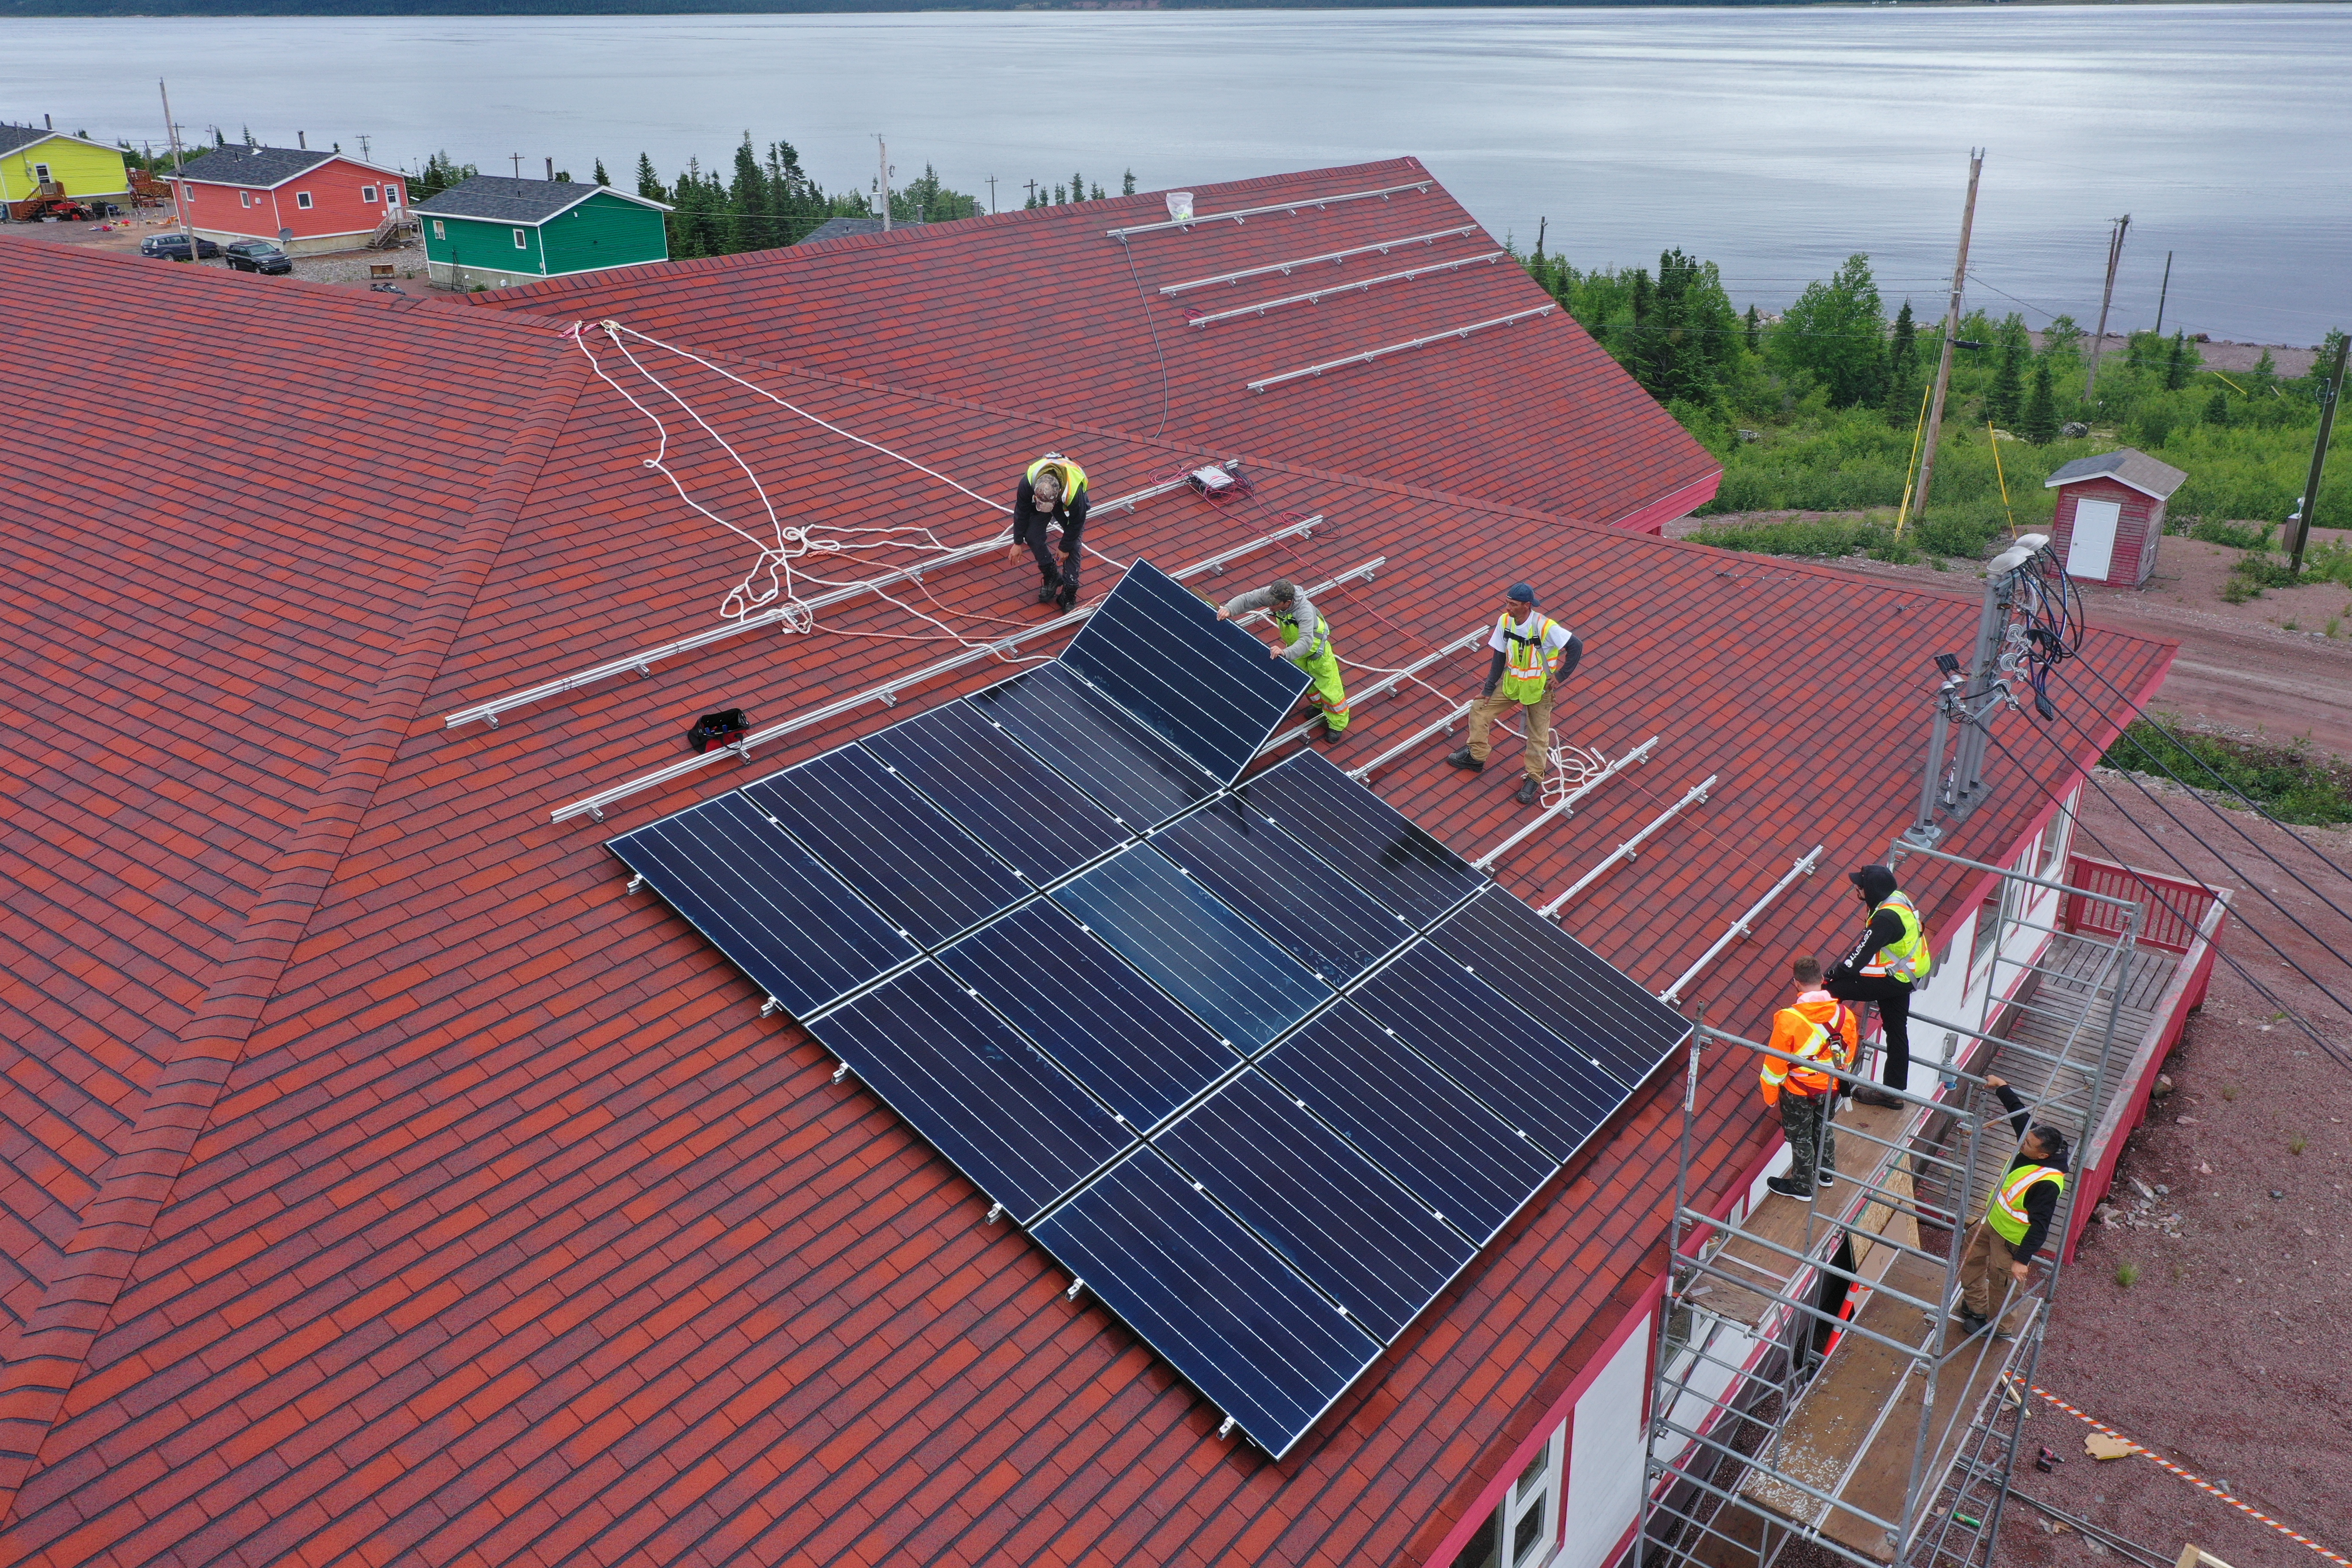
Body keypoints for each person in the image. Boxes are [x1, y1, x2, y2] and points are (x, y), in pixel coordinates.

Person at [1446, 582, 1582, 806]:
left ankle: (1533, 779)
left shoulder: (1545, 626)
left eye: (1513, 605)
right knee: (1479, 709)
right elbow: (1499, 655)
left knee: (1538, 736)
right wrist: (1489, 689)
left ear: (1527, 606)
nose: (1508, 608)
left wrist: (1561, 676)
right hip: (1513, 686)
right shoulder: (1505, 621)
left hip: (1539, 690)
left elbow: (1576, 646)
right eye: (1507, 603)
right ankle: (1476, 757)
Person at [1954, 1074, 2069, 1337]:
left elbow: (2041, 1227)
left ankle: (2001, 1328)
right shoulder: (2033, 1143)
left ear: (2043, 1155)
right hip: (1991, 1222)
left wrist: (2022, 1260)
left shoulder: (2047, 1184)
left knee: (2002, 1283)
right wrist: (2003, 1086)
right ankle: (1976, 1307)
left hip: (2011, 1240)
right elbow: (2019, 1115)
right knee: (1970, 1259)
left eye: (2026, 1143)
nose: (2021, 1142)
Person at [1826, 864, 1932, 1110]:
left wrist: (1831, 977)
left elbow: (1858, 957)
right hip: (1908, 975)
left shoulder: (1885, 919)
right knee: (1896, 1031)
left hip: (1895, 978)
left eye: (1860, 885)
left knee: (1831, 991)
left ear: (1871, 890)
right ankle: (1893, 1093)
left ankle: (1819, 1054)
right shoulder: (1896, 900)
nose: (1856, 888)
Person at [1760, 956, 1860, 1201]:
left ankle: (1803, 1186)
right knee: (1823, 1127)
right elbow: (1849, 1055)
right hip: (1833, 1086)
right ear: (1823, 980)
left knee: (1800, 1136)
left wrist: (1771, 1095)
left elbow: (1775, 1064)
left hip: (1798, 1090)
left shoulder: (1788, 1019)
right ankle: (1826, 1174)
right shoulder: (1845, 1015)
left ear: (1796, 983)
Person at [1218, 579, 1351, 740]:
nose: (1270, 607)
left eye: (1274, 605)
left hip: (1317, 652)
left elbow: (1306, 642)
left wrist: (1285, 653)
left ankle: (1337, 725)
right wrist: (1229, 609)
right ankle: (1318, 707)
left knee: (1329, 689)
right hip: (1295, 650)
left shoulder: (1305, 611)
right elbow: (1249, 599)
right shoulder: (1272, 594)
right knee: (1307, 684)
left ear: (1287, 602)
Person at [1013, 453, 1088, 610]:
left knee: (1073, 544)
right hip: (1047, 499)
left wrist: (1064, 547)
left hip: (1067, 505)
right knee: (1032, 536)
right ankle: (1052, 575)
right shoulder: (1029, 482)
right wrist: (1018, 542)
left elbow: (1077, 522)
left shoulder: (1073, 492)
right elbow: (1022, 510)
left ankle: (1069, 592)